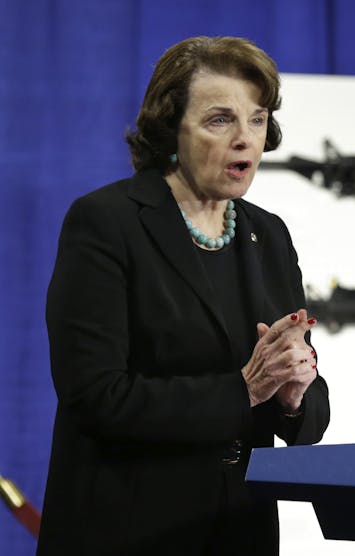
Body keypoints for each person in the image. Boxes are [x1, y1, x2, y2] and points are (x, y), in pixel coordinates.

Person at [37, 36, 330, 555]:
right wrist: (243, 390)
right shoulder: (108, 223)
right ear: (170, 127)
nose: (246, 139)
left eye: (258, 119)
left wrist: (292, 397)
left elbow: (308, 409)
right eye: (221, 119)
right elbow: (96, 399)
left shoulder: (269, 236)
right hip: (128, 530)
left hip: (240, 531)